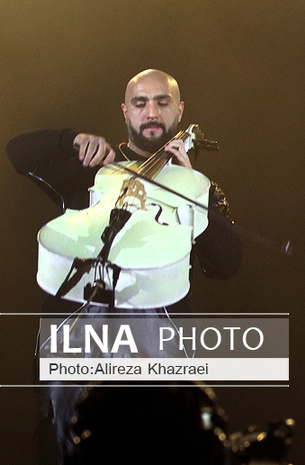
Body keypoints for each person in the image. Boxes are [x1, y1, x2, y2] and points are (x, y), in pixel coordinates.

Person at [6, 68, 242, 464]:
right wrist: (71, 139)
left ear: (179, 110)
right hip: (78, 343)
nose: (151, 112)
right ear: (125, 111)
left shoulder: (196, 186)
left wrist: (192, 194)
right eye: (140, 103)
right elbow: (18, 151)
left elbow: (228, 263)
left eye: (162, 103)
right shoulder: (94, 169)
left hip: (156, 352)